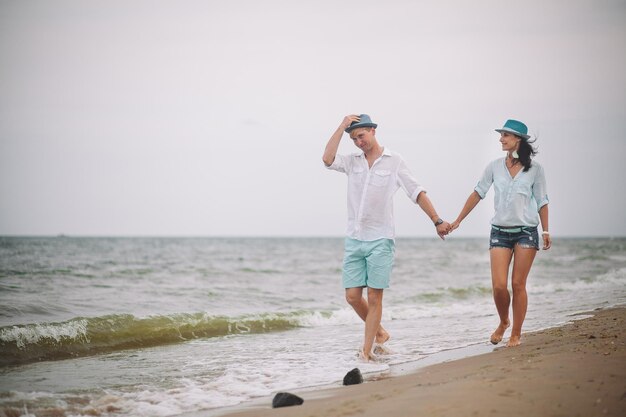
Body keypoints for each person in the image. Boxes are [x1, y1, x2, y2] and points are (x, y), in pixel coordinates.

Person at [323, 114, 450, 361]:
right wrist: (341, 126)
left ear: (372, 130)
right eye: (353, 139)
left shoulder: (395, 161)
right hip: (355, 238)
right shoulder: (352, 162)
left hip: (381, 238)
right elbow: (327, 159)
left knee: (374, 297)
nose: (358, 142)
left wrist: (437, 220)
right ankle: (380, 334)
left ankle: (366, 351)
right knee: (351, 297)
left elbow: (417, 192)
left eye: (361, 136)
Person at [450, 119, 551, 347]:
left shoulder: (536, 170)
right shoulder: (494, 166)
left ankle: (516, 333)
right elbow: (478, 193)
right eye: (501, 135)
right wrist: (458, 220)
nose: (501, 139)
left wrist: (546, 230)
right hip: (499, 231)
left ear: (518, 139)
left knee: (518, 284)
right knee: (498, 285)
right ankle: (504, 321)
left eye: (505, 135)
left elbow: (542, 201)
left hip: (526, 231)